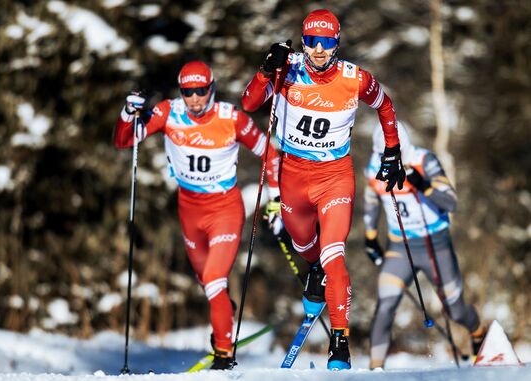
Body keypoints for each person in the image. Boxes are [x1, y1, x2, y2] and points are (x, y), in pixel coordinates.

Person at [242, 9, 406, 370]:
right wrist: (266, 70)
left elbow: (386, 105)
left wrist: (393, 150)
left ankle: (340, 344)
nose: (318, 50)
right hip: (293, 177)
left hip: (335, 177)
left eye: (326, 43)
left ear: (336, 44)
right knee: (303, 244)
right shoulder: (288, 69)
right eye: (312, 42)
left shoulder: (355, 79)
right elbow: (250, 103)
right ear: (304, 42)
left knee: (334, 256)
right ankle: (314, 266)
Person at [113, 61, 280, 370]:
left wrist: (275, 198)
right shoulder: (168, 112)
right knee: (208, 284)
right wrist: (128, 113)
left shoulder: (232, 118)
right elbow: (124, 141)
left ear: (211, 89)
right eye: (188, 92)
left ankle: (223, 354)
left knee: (215, 280)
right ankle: (223, 311)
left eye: (201, 91)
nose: (194, 99)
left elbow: (269, 153)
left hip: (225, 209)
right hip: (189, 210)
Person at [364, 122, 485, 369]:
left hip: (435, 246)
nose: (386, 161)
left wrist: (424, 185)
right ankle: (375, 369)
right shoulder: (374, 166)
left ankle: (479, 334)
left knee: (456, 311)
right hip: (399, 248)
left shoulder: (425, 160)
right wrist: (370, 236)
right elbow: (371, 200)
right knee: (385, 306)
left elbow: (451, 203)